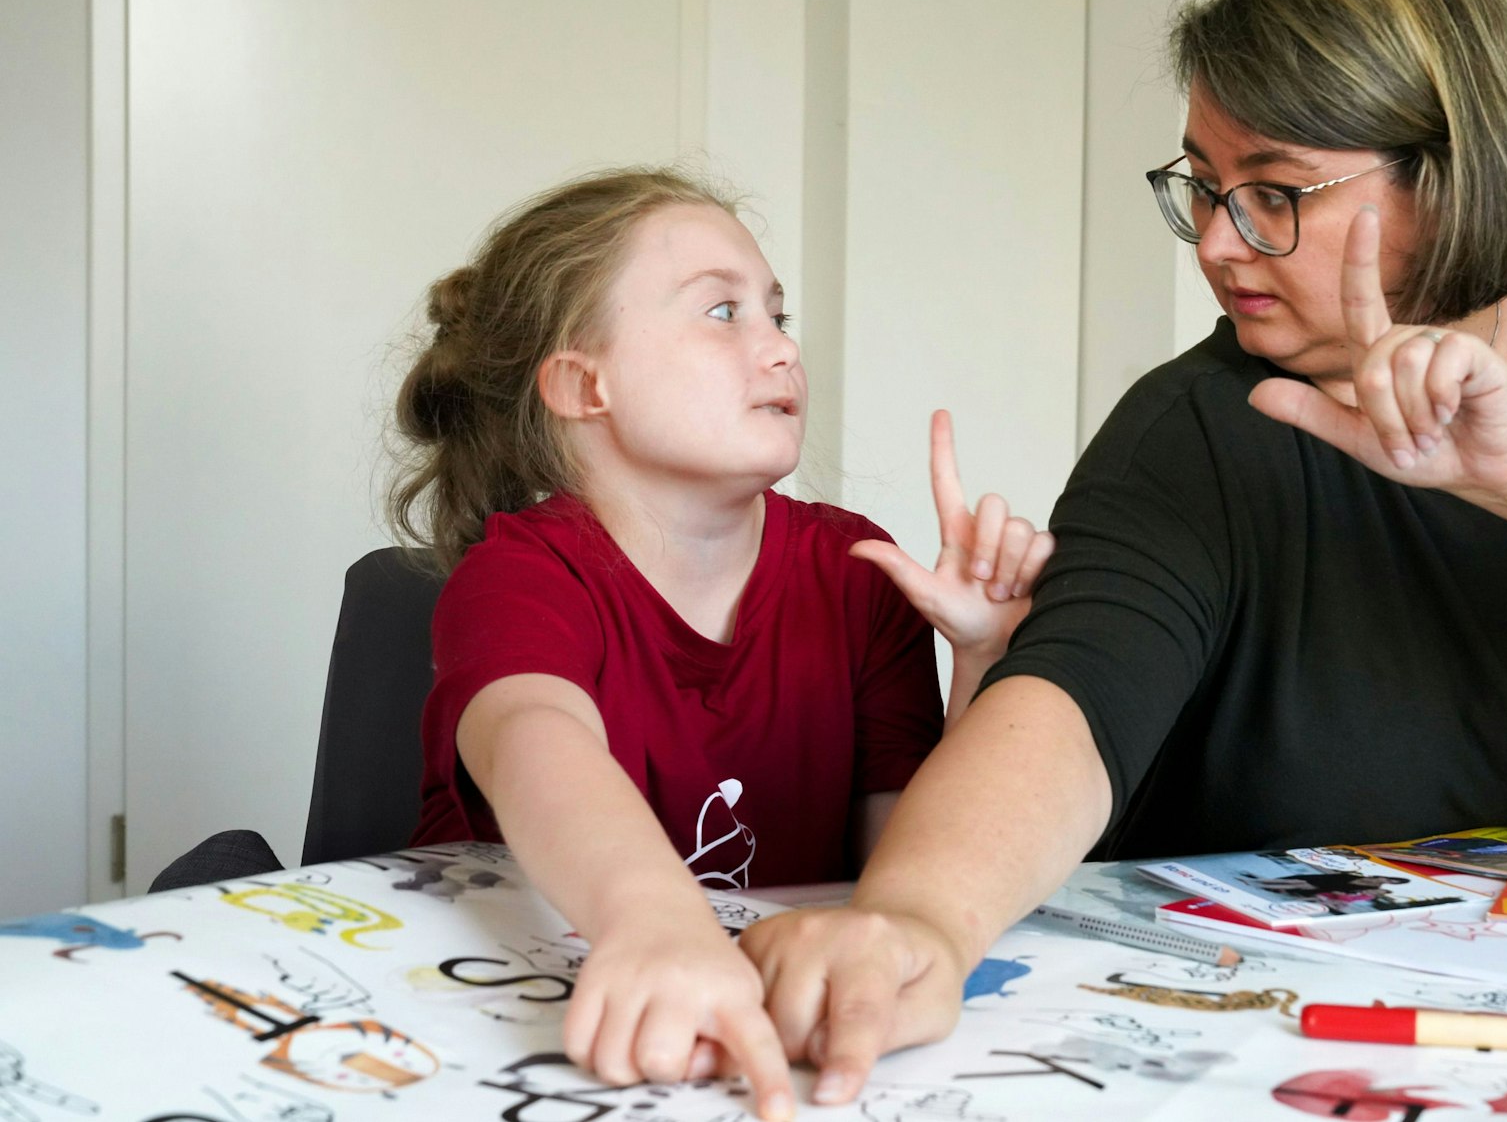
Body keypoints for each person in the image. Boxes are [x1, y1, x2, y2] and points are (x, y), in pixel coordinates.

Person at [737, 0, 1507, 1106]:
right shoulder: (1196, 425)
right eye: (1204, 184)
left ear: (1447, 178)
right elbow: (1066, 703)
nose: (1221, 244)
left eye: (1273, 191)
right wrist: (917, 918)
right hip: (1272, 1050)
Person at [388, 167, 1051, 1121]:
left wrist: (985, 659)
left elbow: (898, 874)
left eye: (779, 316)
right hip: (532, 1034)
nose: (780, 348)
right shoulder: (518, 575)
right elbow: (538, 739)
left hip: (768, 1054)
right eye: (724, 312)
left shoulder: (854, 568)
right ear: (585, 383)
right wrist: (653, 922)